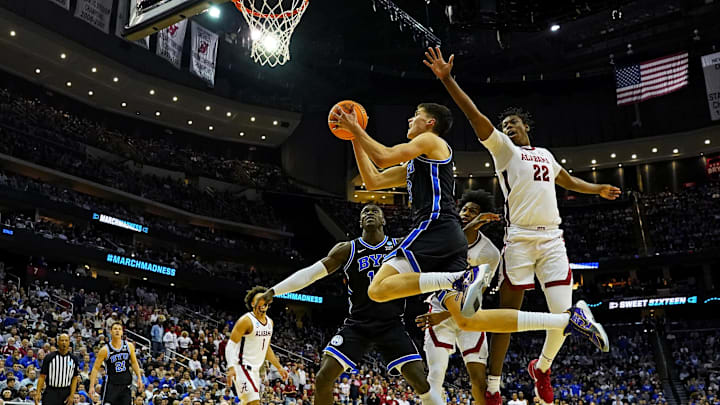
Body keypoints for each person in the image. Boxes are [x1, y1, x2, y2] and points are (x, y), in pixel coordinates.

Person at [423, 45, 620, 404]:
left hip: (554, 240)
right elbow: (474, 116)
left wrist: (597, 189)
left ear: (526, 126)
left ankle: (541, 368)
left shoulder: (544, 154)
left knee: (562, 314)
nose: (506, 128)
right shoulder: (504, 151)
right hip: (520, 240)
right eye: (504, 126)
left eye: (512, 123)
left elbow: (567, 181)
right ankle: (495, 386)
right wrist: (448, 80)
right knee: (507, 317)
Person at [257, 204, 443, 405]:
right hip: (358, 324)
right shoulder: (347, 249)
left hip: (391, 324)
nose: (369, 213)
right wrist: (273, 291)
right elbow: (311, 273)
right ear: (360, 221)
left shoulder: (401, 246)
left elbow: (436, 262)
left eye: (375, 211)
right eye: (365, 212)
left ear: (384, 220)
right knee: (322, 378)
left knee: (421, 383)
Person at [331, 102, 473, 304]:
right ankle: (457, 280)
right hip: (449, 235)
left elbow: (383, 157)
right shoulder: (417, 163)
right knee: (463, 320)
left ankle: (457, 279)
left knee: (379, 288)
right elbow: (373, 181)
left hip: (434, 226)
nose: (410, 119)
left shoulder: (430, 140)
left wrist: (356, 128)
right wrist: (355, 137)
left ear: (430, 122)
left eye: (416, 114)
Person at [420, 189, 501, 405]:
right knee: (436, 374)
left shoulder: (490, 254)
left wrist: (446, 316)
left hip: (469, 312)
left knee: (478, 380)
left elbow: (477, 295)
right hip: (439, 305)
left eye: (473, 211)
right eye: (464, 209)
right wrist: (443, 316)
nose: (466, 213)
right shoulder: (444, 237)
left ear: (483, 217)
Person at [224, 286, 287, 405]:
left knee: (247, 403)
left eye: (265, 300)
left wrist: (279, 367)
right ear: (253, 303)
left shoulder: (270, 323)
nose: (262, 302)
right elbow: (231, 345)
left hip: (255, 371)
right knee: (254, 403)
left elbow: (266, 349)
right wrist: (231, 367)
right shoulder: (246, 320)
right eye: (259, 300)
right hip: (241, 367)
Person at [89, 322, 144, 405]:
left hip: (125, 385)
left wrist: (139, 378)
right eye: (115, 329)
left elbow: (134, 362)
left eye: (119, 329)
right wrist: (91, 386)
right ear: (110, 332)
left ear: (122, 332)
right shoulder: (105, 350)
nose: (117, 331)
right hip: (111, 385)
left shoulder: (129, 346)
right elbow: (95, 368)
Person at [35, 334, 79, 405]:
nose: (64, 342)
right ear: (58, 342)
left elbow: (74, 378)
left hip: (66, 392)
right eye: (62, 340)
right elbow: (42, 376)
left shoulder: (74, 359)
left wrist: (72, 395)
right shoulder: (49, 357)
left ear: (69, 343)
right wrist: (38, 393)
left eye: (66, 340)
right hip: (51, 392)